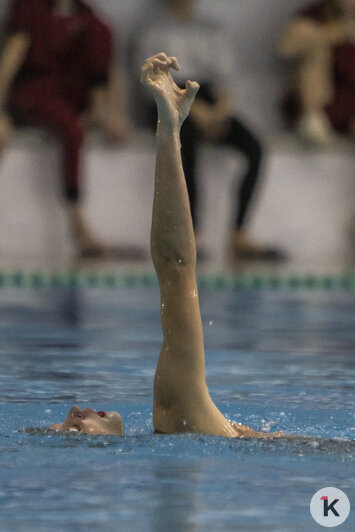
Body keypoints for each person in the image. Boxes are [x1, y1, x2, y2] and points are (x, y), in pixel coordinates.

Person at [49, 53, 286, 439]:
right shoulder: (177, 417)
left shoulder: (175, 434)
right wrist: (170, 129)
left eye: (63, 419)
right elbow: (175, 266)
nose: (74, 410)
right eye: (72, 428)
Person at [131, 0, 285, 261]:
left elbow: (223, 82)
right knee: (185, 143)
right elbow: (152, 82)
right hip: (169, 100)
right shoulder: (152, 30)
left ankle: (239, 233)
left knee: (254, 147)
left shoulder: (212, 29)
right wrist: (192, 109)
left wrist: (220, 111)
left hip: (207, 98)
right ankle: (192, 233)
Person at [0, 0, 131, 257]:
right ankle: (76, 222)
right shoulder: (30, 8)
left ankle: (98, 108)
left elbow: (106, 67)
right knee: (72, 130)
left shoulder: (86, 15)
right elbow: (12, 56)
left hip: (71, 93)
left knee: (100, 32)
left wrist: (115, 113)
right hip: (34, 90)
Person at [278, 0, 355, 144]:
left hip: (350, 106)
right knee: (314, 48)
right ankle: (312, 118)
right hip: (320, 102)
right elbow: (285, 48)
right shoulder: (316, 15)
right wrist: (328, 35)